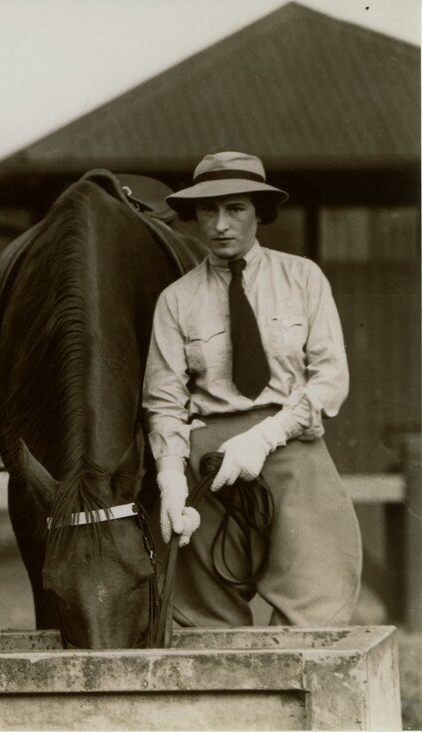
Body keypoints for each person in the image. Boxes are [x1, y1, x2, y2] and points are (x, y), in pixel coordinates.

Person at [142, 150, 362, 627]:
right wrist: (171, 477)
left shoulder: (303, 278)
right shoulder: (176, 300)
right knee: (202, 613)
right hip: (207, 462)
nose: (220, 224)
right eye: (208, 210)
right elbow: (163, 402)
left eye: (235, 209)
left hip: (288, 446)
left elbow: (330, 378)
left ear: (258, 212)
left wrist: (265, 436)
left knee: (317, 600)